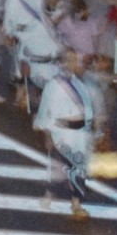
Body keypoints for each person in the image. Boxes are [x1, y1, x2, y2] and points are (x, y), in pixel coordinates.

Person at [34, 47, 97, 222]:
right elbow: (46, 110)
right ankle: (49, 194)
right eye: (68, 60)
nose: (72, 63)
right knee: (59, 168)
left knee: (79, 168)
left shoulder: (79, 83)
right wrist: (47, 135)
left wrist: (91, 128)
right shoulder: (54, 84)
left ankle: (76, 202)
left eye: (74, 59)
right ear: (60, 63)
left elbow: (87, 108)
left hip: (80, 133)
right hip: (63, 133)